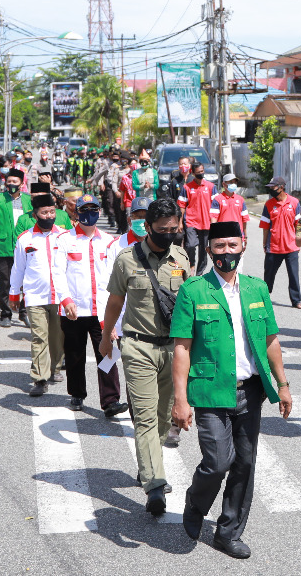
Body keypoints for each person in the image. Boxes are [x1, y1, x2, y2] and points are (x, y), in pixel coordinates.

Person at [170, 222, 293, 559]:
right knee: (218, 462)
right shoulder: (193, 290)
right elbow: (182, 348)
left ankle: (228, 532)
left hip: (250, 390)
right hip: (210, 390)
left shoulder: (257, 289)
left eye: (232, 245)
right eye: (219, 246)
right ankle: (196, 502)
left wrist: (282, 385)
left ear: (243, 245)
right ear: (209, 249)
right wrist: (180, 400)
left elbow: (270, 341)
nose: (226, 252)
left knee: (245, 462)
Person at [99, 199, 193, 516]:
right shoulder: (127, 259)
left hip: (173, 350)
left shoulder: (181, 257)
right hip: (138, 347)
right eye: (163, 230)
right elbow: (114, 302)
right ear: (149, 226)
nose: (169, 234)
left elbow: (191, 303)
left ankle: (148, 466)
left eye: (174, 229)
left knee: (164, 420)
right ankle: (154, 485)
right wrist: (105, 336)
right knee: (145, 418)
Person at [59, 195, 128, 418]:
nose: (89, 213)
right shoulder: (64, 240)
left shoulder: (109, 241)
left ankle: (111, 400)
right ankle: (77, 393)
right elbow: (57, 273)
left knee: (108, 353)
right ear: (77, 212)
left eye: (94, 209)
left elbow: (115, 278)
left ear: (99, 212)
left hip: (102, 310)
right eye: (84, 209)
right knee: (75, 353)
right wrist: (66, 300)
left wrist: (116, 317)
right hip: (74, 309)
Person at [10, 188, 69, 397]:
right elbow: (18, 268)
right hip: (35, 296)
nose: (49, 216)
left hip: (60, 297)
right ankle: (39, 378)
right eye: (45, 213)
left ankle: (56, 368)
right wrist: (14, 294)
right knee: (38, 337)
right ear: (35, 214)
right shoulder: (26, 239)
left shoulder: (64, 237)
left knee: (57, 337)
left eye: (52, 212)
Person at [0, 168, 33, 327]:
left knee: (27, 281)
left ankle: (24, 312)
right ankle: (6, 313)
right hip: (3, 246)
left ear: (21, 183)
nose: (11, 184)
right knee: (5, 281)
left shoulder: (29, 200)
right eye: (9, 181)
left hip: (26, 248)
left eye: (14, 182)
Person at [260, 176, 301, 309]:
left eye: (273, 187)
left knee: (294, 275)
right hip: (273, 247)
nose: (271, 190)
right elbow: (265, 226)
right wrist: (264, 244)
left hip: (291, 247)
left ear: (281, 187)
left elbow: (299, 225)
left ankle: (296, 301)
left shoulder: (294, 202)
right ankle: (264, 297)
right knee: (269, 274)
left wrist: (299, 242)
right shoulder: (268, 204)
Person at [181, 161, 216, 275]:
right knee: (190, 245)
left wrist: (216, 223)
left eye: (202, 171)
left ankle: (199, 273)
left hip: (206, 223)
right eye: (198, 172)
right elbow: (182, 205)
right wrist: (180, 222)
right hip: (191, 221)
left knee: (203, 249)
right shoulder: (187, 187)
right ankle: (191, 264)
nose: (201, 174)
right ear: (193, 173)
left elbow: (216, 206)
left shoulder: (211, 187)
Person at [212, 173, 249, 239]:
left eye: (235, 182)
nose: (233, 184)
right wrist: (214, 235)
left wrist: (245, 236)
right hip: (222, 236)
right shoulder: (217, 199)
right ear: (224, 184)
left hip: (237, 235)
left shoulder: (240, 199)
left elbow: (244, 220)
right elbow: (213, 218)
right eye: (231, 182)